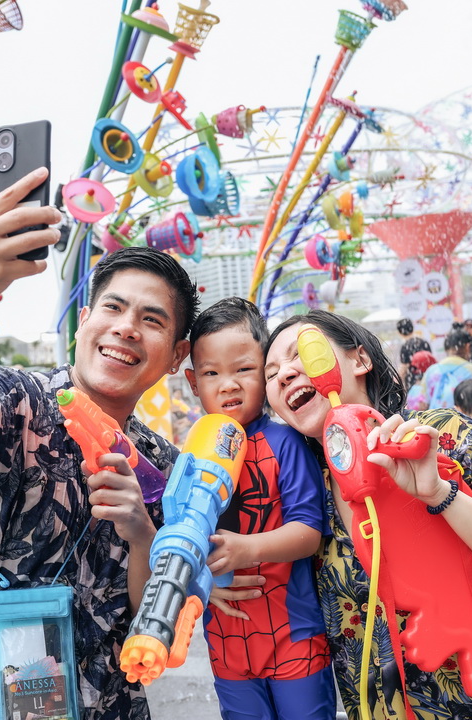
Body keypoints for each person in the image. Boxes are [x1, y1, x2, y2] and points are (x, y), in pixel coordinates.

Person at [0, 168, 197, 720]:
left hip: (105, 703)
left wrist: (141, 535)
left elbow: (150, 623)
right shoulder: (19, 400)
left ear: (178, 356)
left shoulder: (163, 468)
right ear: (84, 321)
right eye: (112, 308)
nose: (126, 327)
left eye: (151, 319)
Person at [255, 309, 472, 719]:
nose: (283, 373)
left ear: (359, 360)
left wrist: (440, 494)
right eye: (270, 372)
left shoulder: (440, 436)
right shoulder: (303, 494)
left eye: (299, 352)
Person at [184, 297, 334, 720]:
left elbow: (308, 532)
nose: (228, 384)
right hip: (226, 641)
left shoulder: (286, 443)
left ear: (266, 370)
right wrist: (202, 580)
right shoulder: (192, 452)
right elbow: (182, 538)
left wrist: (246, 550)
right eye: (212, 373)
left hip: (294, 635)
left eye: (243, 370)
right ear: (194, 383)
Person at [406, 325, 472, 411]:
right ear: (468, 347)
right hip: (467, 422)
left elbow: (423, 404)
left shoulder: (432, 371)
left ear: (446, 348)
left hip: (437, 422)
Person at [396, 318, 431, 392]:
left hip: (413, 382)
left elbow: (404, 367)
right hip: (428, 379)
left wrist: (396, 381)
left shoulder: (406, 346)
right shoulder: (424, 342)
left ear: (400, 332)